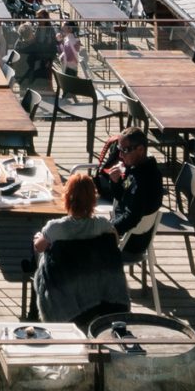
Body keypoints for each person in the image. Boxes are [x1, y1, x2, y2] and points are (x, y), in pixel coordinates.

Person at [33, 174, 129, 324]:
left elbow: (39, 247)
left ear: (67, 198)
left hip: (64, 283)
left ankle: (33, 313)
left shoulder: (55, 227)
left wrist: (38, 237)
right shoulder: (102, 225)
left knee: (38, 253)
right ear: (93, 200)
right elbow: (114, 242)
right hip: (94, 283)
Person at [96, 129, 165, 241]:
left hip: (131, 240)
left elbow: (131, 218)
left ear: (140, 149)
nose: (120, 155)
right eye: (119, 149)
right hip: (128, 229)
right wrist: (115, 181)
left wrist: (107, 229)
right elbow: (121, 195)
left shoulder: (142, 181)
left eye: (125, 150)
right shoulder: (137, 169)